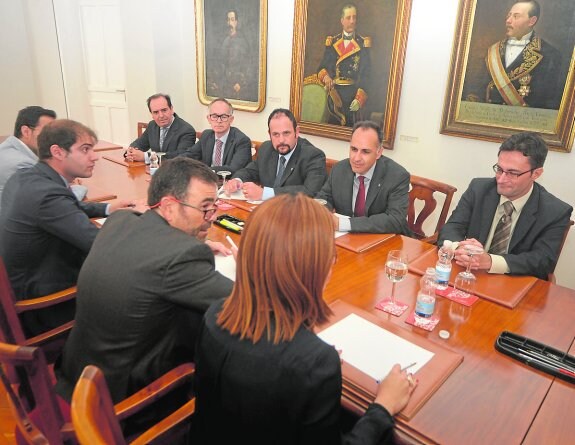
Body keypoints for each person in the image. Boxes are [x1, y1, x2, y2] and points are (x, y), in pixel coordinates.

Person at [194, 193, 416, 444]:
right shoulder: (315, 363)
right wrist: (383, 406)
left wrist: (310, 361)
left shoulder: (215, 314)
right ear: (314, 268)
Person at [55, 158, 234, 410]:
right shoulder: (181, 257)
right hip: (121, 402)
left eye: (214, 206)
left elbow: (152, 251)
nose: (211, 217)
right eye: (205, 208)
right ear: (170, 207)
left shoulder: (119, 223)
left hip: (75, 374)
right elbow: (243, 304)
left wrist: (198, 243)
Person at [0, 120, 139, 336]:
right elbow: (102, 245)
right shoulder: (48, 195)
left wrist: (109, 208)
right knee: (140, 292)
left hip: (24, 286)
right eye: (85, 149)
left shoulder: (27, 177)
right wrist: (145, 227)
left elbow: (66, 207)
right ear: (57, 152)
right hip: (43, 308)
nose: (95, 156)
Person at [438, 132, 572, 280]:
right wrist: (460, 249)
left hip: (514, 283)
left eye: (512, 173)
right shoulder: (478, 189)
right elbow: (452, 227)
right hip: (470, 275)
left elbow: (542, 261)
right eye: (499, 169)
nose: (501, 179)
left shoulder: (555, 211)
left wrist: (491, 261)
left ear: (536, 174)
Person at [316, 121, 411, 234]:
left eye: (365, 152)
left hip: (384, 241)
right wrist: (324, 215)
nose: (356, 158)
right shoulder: (339, 169)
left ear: (379, 152)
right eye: (354, 149)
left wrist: (342, 224)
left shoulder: (397, 176)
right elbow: (323, 198)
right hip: (347, 240)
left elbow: (396, 220)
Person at [464, 1, 562, 109]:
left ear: (531, 21)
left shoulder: (550, 55)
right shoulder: (492, 51)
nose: (508, 21)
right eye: (509, 15)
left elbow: (549, 103)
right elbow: (477, 89)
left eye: (516, 16)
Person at [223, 108, 327, 200]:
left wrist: (265, 194)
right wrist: (236, 181)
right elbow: (250, 171)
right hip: (267, 211)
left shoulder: (313, 156)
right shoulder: (266, 149)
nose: (281, 140)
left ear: (297, 132)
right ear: (269, 134)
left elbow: (310, 192)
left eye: (286, 133)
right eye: (276, 134)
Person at [318, 4, 371, 126]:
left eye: (354, 17)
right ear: (342, 21)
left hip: (352, 95)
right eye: (348, 18)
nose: (352, 21)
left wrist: (359, 98)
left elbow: (366, 74)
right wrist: (326, 77)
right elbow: (322, 67)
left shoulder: (362, 43)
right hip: (334, 93)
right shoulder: (333, 42)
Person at [0, 106, 56, 213]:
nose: (53, 139)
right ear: (26, 131)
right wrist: (78, 188)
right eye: (47, 133)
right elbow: (51, 201)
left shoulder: (7, 147)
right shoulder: (22, 164)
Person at [181, 98, 252, 174]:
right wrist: (172, 162)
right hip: (208, 179)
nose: (219, 121)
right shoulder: (206, 135)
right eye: (214, 116)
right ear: (209, 119)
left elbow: (233, 169)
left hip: (228, 181)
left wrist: (203, 170)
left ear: (231, 119)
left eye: (224, 117)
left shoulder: (242, 141)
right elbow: (190, 155)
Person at [125, 93, 196, 162]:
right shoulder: (152, 125)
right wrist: (130, 151)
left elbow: (181, 157)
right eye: (156, 112)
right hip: (154, 170)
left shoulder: (186, 130)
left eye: (164, 110)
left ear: (171, 109)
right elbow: (139, 144)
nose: (161, 115)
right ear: (151, 114)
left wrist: (147, 157)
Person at [207, 9, 256, 102]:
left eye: (232, 20)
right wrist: (216, 81)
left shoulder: (243, 42)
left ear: (236, 22)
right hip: (224, 84)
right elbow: (220, 63)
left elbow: (249, 65)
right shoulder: (224, 41)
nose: (230, 23)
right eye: (228, 20)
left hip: (237, 85)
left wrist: (241, 83)